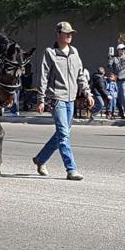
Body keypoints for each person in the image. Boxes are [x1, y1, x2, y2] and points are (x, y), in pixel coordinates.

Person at [33, 21, 91, 181]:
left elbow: (80, 75)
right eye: (66, 33)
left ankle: (40, 159)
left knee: (62, 133)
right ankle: (71, 169)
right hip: (56, 98)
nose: (69, 35)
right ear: (58, 34)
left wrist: (87, 93)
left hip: (71, 98)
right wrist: (41, 99)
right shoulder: (50, 53)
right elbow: (43, 77)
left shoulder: (74, 52)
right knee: (64, 134)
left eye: (71, 33)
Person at [108, 43, 125, 118]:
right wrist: (110, 57)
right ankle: (121, 112)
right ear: (118, 50)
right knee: (118, 97)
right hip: (117, 79)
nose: (122, 51)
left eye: (123, 49)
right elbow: (109, 65)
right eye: (121, 49)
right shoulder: (114, 58)